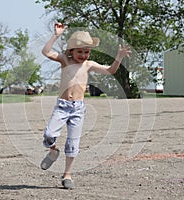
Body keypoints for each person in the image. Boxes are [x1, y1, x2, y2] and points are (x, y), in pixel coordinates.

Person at [40, 23, 131, 189]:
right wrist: (56, 35)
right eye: (80, 51)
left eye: (87, 52)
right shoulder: (64, 61)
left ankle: (67, 175)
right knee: (49, 134)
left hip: (78, 109)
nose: (83, 55)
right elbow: (45, 51)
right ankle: (53, 152)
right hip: (62, 106)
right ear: (71, 51)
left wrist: (119, 56)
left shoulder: (89, 65)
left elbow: (110, 71)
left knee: (73, 143)